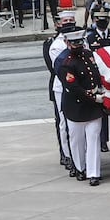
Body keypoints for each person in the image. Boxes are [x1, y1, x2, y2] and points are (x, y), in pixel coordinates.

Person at [55, 26, 106, 186]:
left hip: (93, 108)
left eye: (80, 42)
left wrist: (101, 89)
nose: (78, 46)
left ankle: (94, 173)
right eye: (74, 43)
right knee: (77, 142)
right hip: (76, 107)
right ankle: (80, 168)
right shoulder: (65, 63)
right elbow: (74, 88)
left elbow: (96, 75)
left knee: (93, 140)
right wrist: (95, 98)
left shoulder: (89, 55)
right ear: (67, 43)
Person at [86, 8, 110, 155]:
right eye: (99, 18)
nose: (102, 21)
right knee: (101, 113)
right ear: (95, 20)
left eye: (105, 18)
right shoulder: (89, 38)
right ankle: (103, 142)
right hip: (98, 80)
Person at [45, 9, 78, 172]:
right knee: (64, 122)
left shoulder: (80, 40)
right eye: (66, 21)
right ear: (59, 24)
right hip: (62, 87)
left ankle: (79, 153)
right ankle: (67, 155)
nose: (69, 24)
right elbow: (61, 68)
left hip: (79, 86)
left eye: (72, 20)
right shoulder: (56, 45)